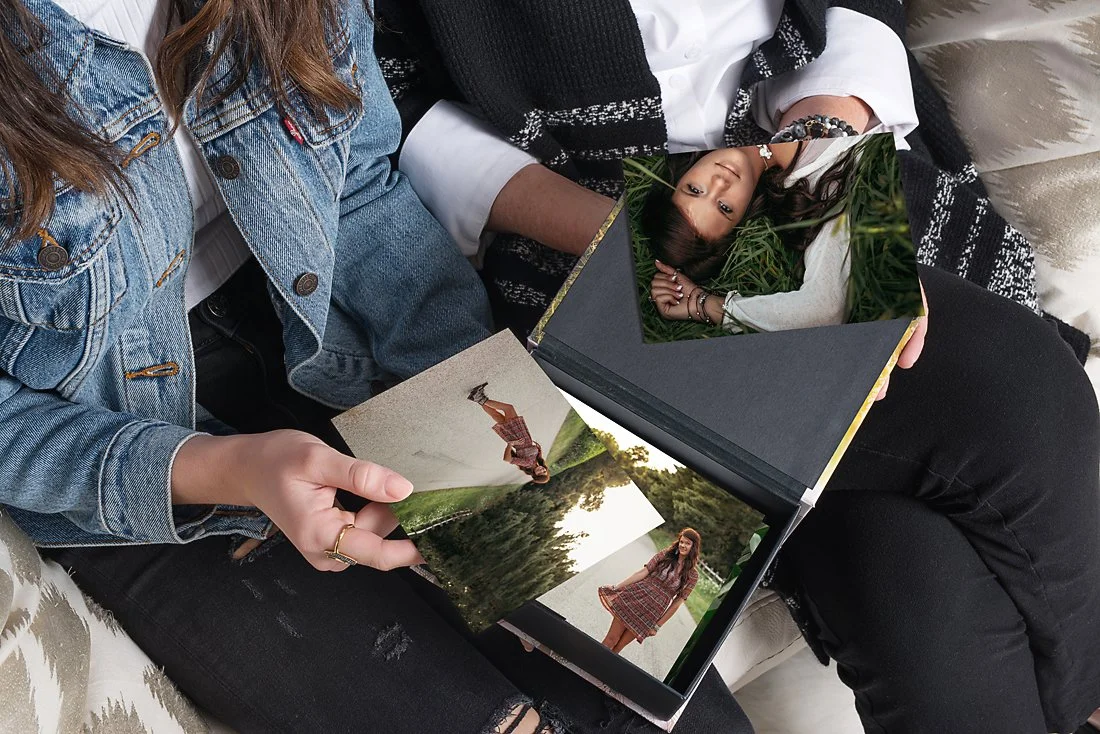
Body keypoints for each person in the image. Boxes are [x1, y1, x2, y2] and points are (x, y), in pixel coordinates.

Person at [0, 2, 758, 733]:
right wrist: (222, 468)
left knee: (670, 699)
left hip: (349, 315)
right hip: (122, 448)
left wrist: (461, 393)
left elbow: (358, 186)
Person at [375, 1, 1100, 732]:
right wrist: (674, 242)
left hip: (806, 158)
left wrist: (820, 182)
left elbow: (850, 16)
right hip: (582, 241)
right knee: (1009, 399)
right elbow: (385, 111)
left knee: (905, 576)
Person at [644, 139, 860, 333]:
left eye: (694, 189)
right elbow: (826, 308)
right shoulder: (820, 187)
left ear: (680, 177)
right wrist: (706, 305)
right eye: (724, 207)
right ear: (742, 219)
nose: (720, 182)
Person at [598, 529, 701, 653]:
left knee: (619, 647)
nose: (683, 545)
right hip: (635, 598)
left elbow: (677, 603)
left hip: (651, 613)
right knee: (611, 639)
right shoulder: (665, 555)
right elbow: (643, 572)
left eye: (687, 543)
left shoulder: (693, 575)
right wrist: (617, 587)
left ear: (694, 547)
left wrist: (658, 625)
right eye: (681, 542)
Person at [468, 382, 551, 484]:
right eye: (544, 471)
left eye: (540, 473)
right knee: (498, 416)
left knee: (508, 408)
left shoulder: (528, 464)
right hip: (522, 434)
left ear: (534, 474)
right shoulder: (536, 461)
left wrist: (510, 444)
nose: (541, 470)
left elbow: (507, 459)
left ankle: (479, 397)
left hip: (517, 435)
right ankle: (477, 398)